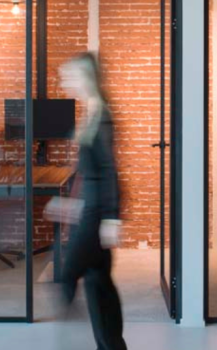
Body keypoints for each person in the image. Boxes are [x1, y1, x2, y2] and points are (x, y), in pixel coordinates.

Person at [55, 52, 127, 350]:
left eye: (69, 77)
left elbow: (110, 170)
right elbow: (88, 170)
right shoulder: (91, 112)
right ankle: (111, 346)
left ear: (85, 78)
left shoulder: (102, 115)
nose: (64, 83)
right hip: (88, 207)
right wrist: (71, 203)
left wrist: (112, 218)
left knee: (68, 274)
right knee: (99, 283)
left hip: (96, 213)